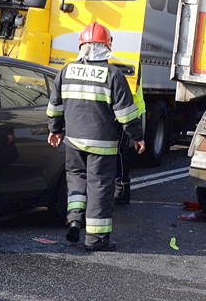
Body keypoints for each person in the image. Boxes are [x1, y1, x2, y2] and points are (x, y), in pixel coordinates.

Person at [46, 22, 145, 251]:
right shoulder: (113, 75)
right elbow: (126, 114)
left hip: (73, 142)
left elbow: (54, 107)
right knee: (99, 187)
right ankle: (96, 239)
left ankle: (74, 220)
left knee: (76, 181)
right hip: (102, 146)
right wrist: (136, 137)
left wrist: (55, 130)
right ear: (107, 46)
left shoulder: (66, 71)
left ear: (81, 45)